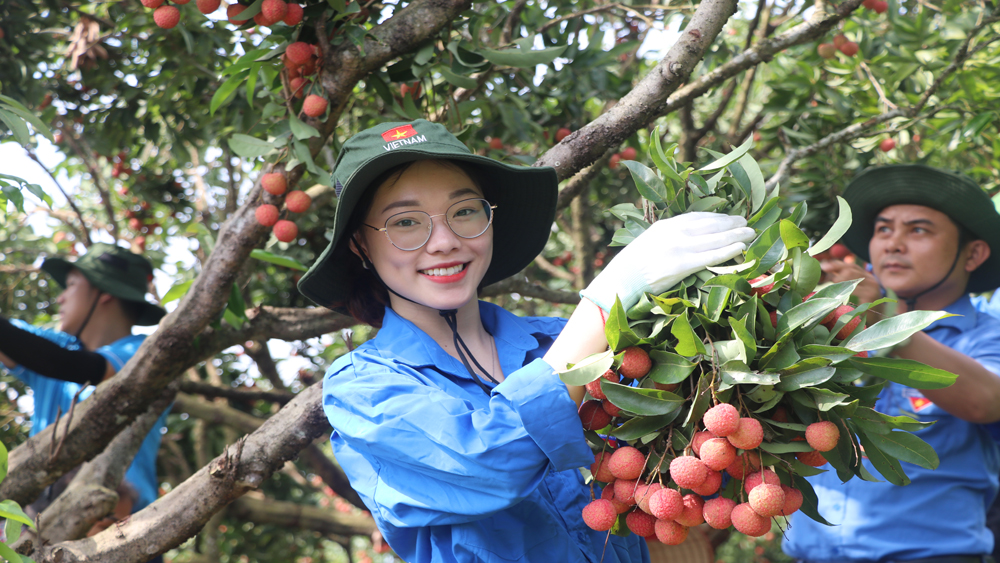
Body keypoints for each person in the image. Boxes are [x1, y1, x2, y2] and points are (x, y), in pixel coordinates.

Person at [297, 119, 756, 563]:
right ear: (359, 244)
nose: (443, 241)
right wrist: (606, 300)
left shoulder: (560, 338)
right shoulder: (362, 388)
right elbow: (491, 464)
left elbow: (685, 424)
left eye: (464, 211)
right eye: (405, 222)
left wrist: (737, 320)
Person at [782, 164, 1000, 563]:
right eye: (883, 229)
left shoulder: (987, 337)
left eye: (918, 230)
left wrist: (885, 324)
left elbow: (985, 400)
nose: (893, 244)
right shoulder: (825, 334)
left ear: (973, 254)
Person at [0, 243, 170, 532]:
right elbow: (15, 340)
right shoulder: (55, 348)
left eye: (70, 285)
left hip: (121, 523)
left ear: (103, 292)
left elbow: (72, 366)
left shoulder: (143, 352)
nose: (61, 298)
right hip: (41, 518)